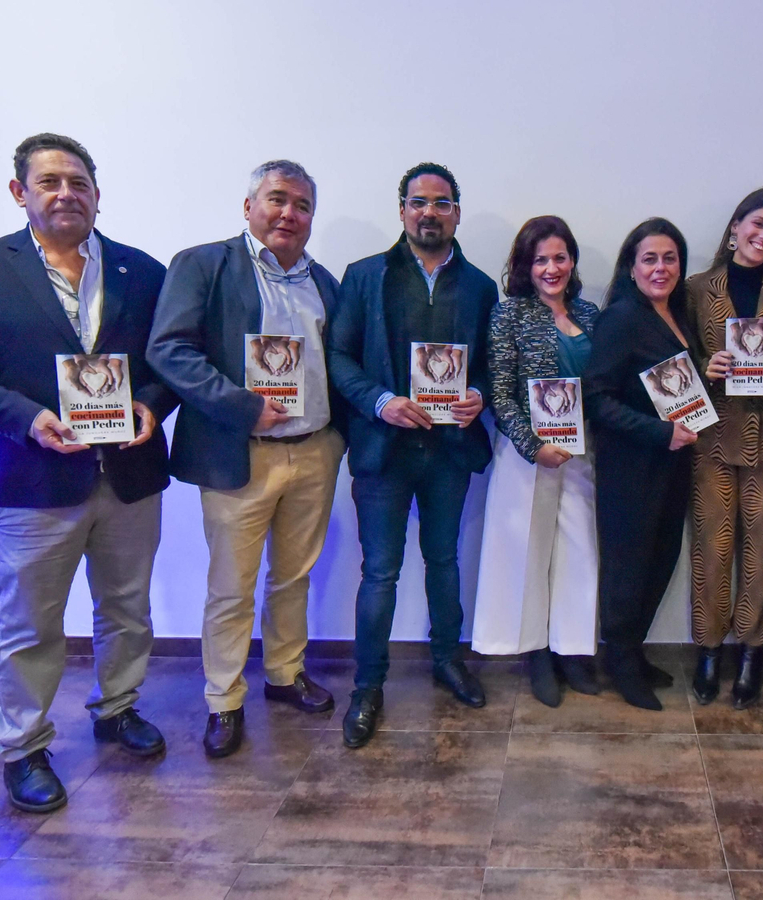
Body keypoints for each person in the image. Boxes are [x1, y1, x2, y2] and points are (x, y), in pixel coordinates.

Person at [0, 134, 175, 813]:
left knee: (126, 608)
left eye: (79, 182)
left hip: (128, 474)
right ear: (20, 192)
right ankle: (25, 748)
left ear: (97, 192)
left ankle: (117, 708)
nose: (66, 193)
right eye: (50, 182)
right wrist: (26, 418)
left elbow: (168, 361)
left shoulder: (141, 272)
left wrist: (149, 406)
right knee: (29, 623)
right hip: (34, 479)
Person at [147, 160, 345, 760]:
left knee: (293, 576)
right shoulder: (204, 265)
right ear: (249, 205)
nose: (289, 214)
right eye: (277, 199)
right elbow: (168, 350)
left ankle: (285, 674)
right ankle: (223, 699)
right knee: (231, 588)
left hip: (313, 451)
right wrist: (240, 406)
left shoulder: (325, 281)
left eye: (302, 205)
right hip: (241, 454)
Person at [327, 162, 498, 748]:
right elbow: (337, 359)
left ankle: (448, 660)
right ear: (401, 209)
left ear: (456, 211)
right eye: (419, 201)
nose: (430, 212)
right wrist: (379, 402)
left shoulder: (480, 287)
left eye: (442, 202)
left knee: (445, 562)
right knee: (380, 572)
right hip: (385, 451)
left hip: (449, 450)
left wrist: (479, 395)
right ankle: (368, 685)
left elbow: (494, 369)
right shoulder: (364, 276)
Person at [472, 216, 602, 707]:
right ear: (524, 265)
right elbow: (500, 393)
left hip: (582, 450)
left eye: (560, 257)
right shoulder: (510, 315)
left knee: (578, 552)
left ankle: (572, 652)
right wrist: (532, 446)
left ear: (572, 260)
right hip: (528, 453)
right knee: (527, 552)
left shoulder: (590, 314)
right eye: (540, 259)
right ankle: (537, 656)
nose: (552, 268)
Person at [690, 187, 763, 708]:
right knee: (712, 551)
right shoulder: (693, 289)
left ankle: (752, 652)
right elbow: (671, 363)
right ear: (735, 226)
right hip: (711, 437)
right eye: (756, 224)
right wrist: (702, 368)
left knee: (761, 556)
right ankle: (709, 649)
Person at [584, 218, 698, 711]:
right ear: (631, 268)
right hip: (632, 467)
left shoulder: (679, 313)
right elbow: (597, 398)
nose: (660, 267)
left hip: (675, 465)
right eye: (649, 258)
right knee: (629, 569)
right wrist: (659, 432)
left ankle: (632, 651)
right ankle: (622, 662)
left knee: (661, 560)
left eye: (669, 258)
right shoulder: (621, 318)